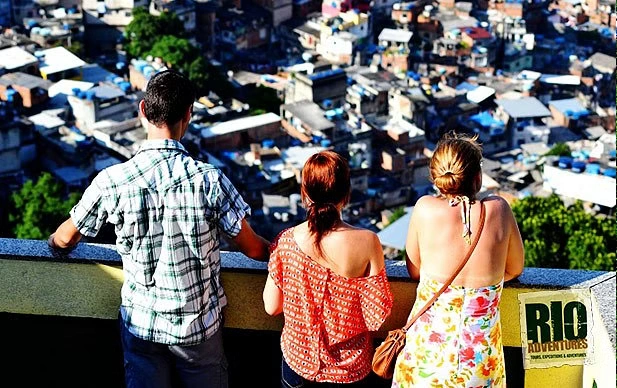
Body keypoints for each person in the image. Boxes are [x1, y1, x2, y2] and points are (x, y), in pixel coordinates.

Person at [48, 70, 270, 388]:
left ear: (143, 110)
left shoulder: (112, 181)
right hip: (196, 328)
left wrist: (52, 243)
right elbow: (254, 249)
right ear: (188, 115)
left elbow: (65, 238)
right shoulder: (209, 180)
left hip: (140, 325)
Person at [392, 132, 524, 387]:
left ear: (437, 178)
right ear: (478, 176)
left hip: (425, 354)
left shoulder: (425, 209)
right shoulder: (498, 210)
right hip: (479, 360)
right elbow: (515, 268)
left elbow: (415, 271)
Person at [263, 150, 394, 387]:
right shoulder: (367, 241)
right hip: (349, 369)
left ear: (305, 192)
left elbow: (272, 307)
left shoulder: (285, 241)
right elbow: (377, 316)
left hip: (298, 362)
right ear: (346, 193)